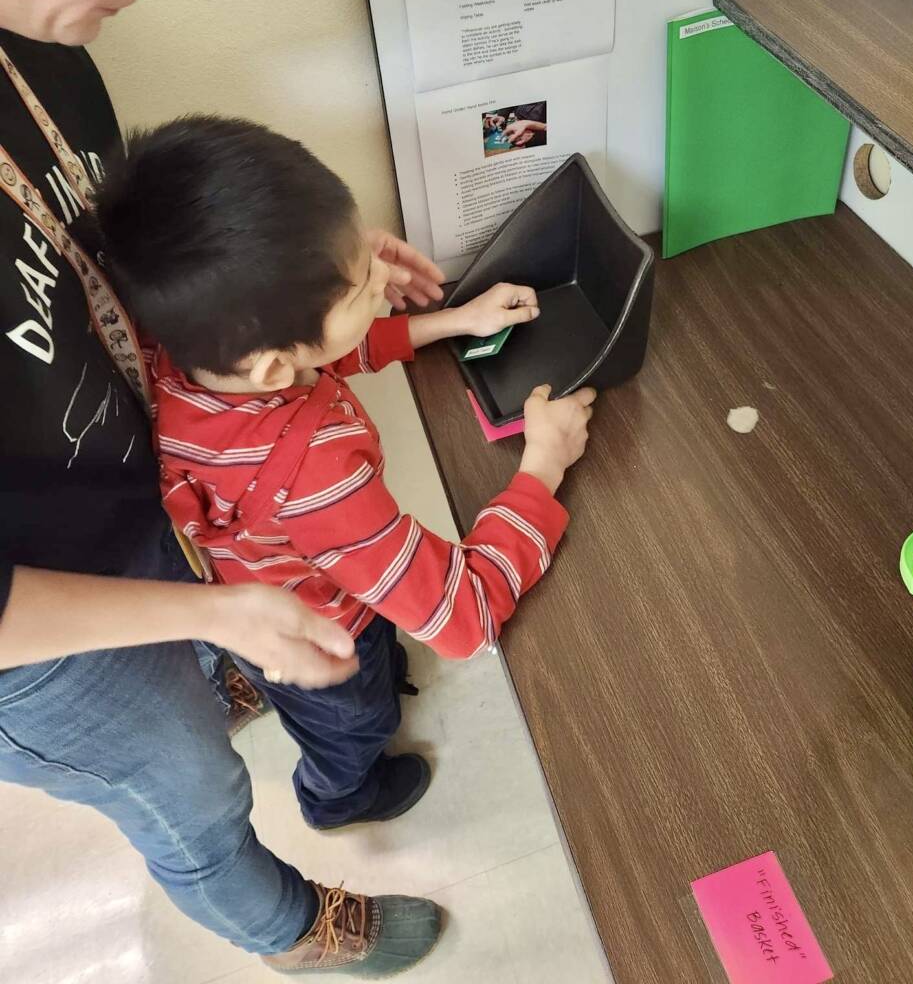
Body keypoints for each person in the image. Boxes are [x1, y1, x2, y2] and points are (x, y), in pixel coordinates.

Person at [0, 0, 452, 975]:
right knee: (188, 789)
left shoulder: (48, 38)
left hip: (139, 503)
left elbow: (114, 259)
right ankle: (289, 929)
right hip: (34, 641)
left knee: (216, 668)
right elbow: (456, 607)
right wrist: (216, 613)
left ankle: (216, 660)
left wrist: (300, 272)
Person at [92, 114, 597, 825]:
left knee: (372, 667)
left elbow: (317, 353)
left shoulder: (179, 350)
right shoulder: (319, 474)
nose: (385, 278)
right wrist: (543, 463)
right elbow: (465, 617)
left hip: (273, 576)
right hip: (321, 630)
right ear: (273, 365)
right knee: (353, 725)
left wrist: (454, 321)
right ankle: (339, 798)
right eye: (364, 287)